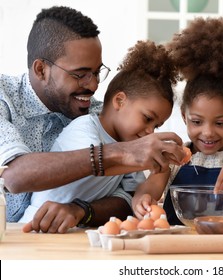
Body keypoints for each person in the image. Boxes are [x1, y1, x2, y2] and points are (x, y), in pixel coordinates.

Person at [0, 6, 185, 233]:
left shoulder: (98, 113)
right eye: (80, 74)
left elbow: (126, 197)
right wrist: (123, 152)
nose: (93, 85)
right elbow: (14, 177)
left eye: (97, 73)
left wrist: (82, 210)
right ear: (41, 69)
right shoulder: (4, 97)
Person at [132, 17, 223, 224]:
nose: (208, 132)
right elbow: (149, 190)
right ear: (184, 116)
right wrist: (142, 199)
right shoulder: (176, 156)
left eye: (220, 123)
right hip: (179, 246)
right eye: (197, 122)